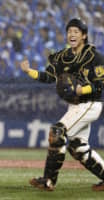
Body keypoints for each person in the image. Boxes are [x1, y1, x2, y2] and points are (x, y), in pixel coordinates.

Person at [20, 18, 104, 191]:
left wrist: (84, 90)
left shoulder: (94, 56)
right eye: (69, 31)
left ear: (84, 35)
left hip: (90, 103)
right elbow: (50, 77)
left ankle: (48, 181)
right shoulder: (62, 57)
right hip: (75, 106)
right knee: (77, 147)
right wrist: (30, 71)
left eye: (76, 32)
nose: (71, 34)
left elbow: (100, 84)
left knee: (57, 132)